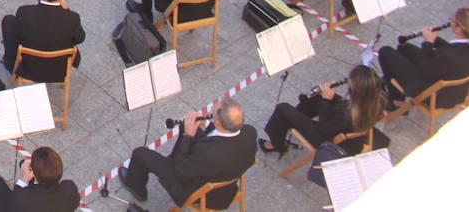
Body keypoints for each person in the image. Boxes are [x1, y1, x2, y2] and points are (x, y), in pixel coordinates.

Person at [120, 99, 256, 207]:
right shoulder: (250, 131)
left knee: (140, 154)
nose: (210, 112)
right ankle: (174, 154)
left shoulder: (207, 154)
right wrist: (207, 125)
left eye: (212, 113)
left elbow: (179, 171)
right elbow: (223, 137)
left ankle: (137, 187)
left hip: (195, 190)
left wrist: (188, 136)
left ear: (219, 122)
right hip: (226, 186)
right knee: (185, 125)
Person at [262, 65, 387, 156]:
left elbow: (323, 130)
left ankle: (276, 144)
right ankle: (291, 120)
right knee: (316, 97)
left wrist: (326, 100)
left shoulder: (345, 112)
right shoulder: (377, 99)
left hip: (324, 138)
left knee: (282, 108)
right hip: (341, 126)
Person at [2, 0, 84, 82]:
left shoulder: (24, 12)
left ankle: (10, 62)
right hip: (58, 72)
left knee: (8, 21)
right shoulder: (73, 18)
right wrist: (67, 10)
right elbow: (80, 38)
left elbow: (18, 31)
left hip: (28, 69)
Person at [377, 6, 469, 107]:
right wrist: (435, 39)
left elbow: (424, 68)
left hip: (432, 93)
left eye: (452, 20)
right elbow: (451, 49)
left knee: (385, 52)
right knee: (404, 48)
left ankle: (396, 100)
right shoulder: (462, 48)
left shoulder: (448, 55)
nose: (450, 21)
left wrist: (428, 42)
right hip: (452, 91)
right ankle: (390, 77)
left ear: (459, 29)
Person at [0, 147, 79, 212]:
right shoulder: (69, 187)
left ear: (34, 174)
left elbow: (14, 203)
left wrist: (23, 179)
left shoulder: (21, 198)